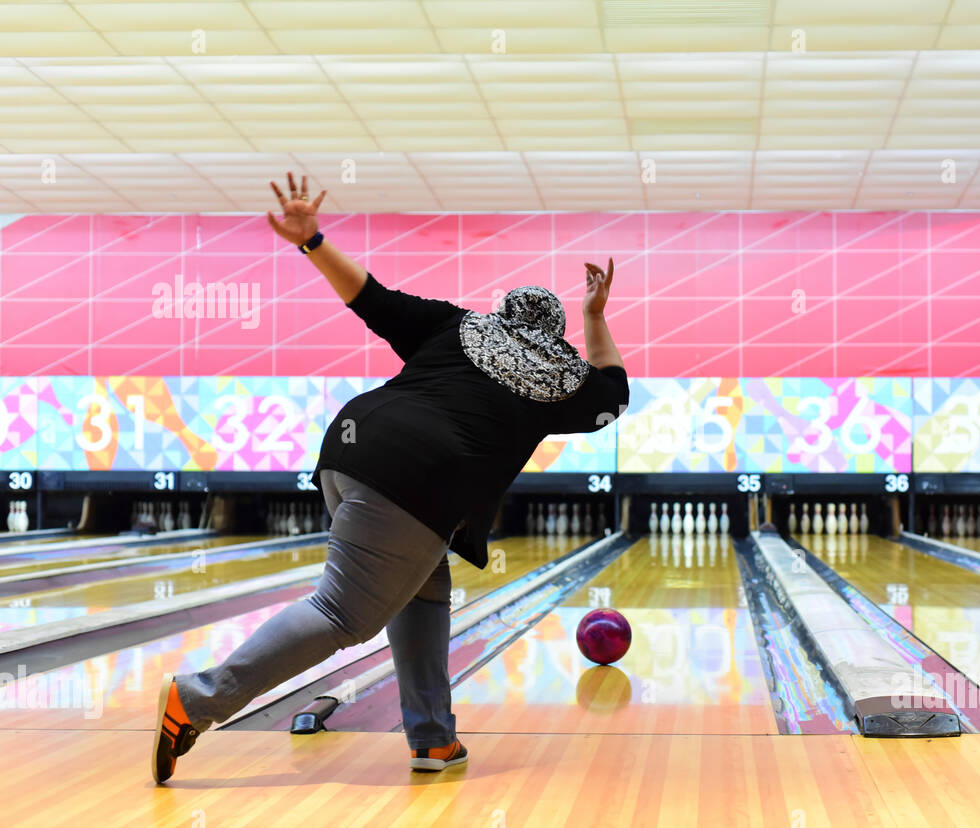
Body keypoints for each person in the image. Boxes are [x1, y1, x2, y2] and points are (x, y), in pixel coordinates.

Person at [151, 172, 628, 783]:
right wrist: (595, 315)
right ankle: (196, 699)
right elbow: (614, 392)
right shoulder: (561, 380)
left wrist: (312, 241)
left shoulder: (456, 325)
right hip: (418, 482)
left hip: (352, 446)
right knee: (341, 613)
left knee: (424, 587)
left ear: (500, 315)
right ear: (552, 340)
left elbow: (369, 298)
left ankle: (433, 739)